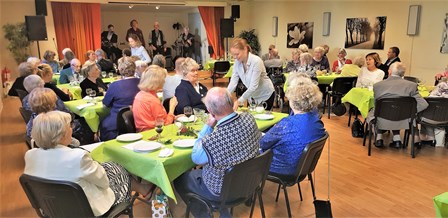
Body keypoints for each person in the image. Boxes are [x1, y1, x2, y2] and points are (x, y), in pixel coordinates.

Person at [24, 110, 154, 216]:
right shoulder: (78, 157)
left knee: (111, 167)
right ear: (61, 134)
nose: (72, 129)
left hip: (52, 208)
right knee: (120, 171)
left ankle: (142, 188)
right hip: (88, 210)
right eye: (70, 126)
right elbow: (104, 183)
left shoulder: (30, 155)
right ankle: (143, 188)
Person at [174, 87, 261, 218]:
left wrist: (208, 126)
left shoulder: (213, 140)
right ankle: (224, 212)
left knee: (179, 178)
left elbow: (196, 158)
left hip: (220, 190)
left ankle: (204, 215)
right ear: (231, 102)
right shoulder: (249, 119)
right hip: (249, 182)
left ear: (210, 111)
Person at [260, 75, 326, 175]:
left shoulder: (287, 124)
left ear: (293, 101)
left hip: (283, 168)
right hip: (304, 167)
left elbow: (263, 143)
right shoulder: (317, 121)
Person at [369, 62, 428, 148]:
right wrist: (410, 112)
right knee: (396, 111)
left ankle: (379, 138)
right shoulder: (411, 86)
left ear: (389, 72)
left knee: (374, 111)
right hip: (404, 119)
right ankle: (396, 138)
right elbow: (423, 104)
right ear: (403, 73)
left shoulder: (378, 85)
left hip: (382, 118)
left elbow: (377, 104)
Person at [227, 38, 275, 110]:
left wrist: (239, 101)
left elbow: (253, 86)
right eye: (233, 55)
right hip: (252, 97)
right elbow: (233, 83)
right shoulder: (237, 63)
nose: (234, 57)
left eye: (237, 54)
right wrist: (225, 96)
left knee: (262, 119)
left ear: (245, 49)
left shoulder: (256, 61)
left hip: (265, 95)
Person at [100, 57, 140, 141]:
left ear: (120, 69)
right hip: (139, 119)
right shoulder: (142, 82)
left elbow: (105, 104)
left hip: (117, 123)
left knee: (101, 121)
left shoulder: (115, 85)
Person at [132, 65, 178, 132]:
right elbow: (164, 124)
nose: (164, 81)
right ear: (157, 81)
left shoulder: (140, 94)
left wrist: (173, 117)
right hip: (152, 133)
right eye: (163, 79)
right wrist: (172, 109)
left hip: (141, 131)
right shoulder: (152, 100)